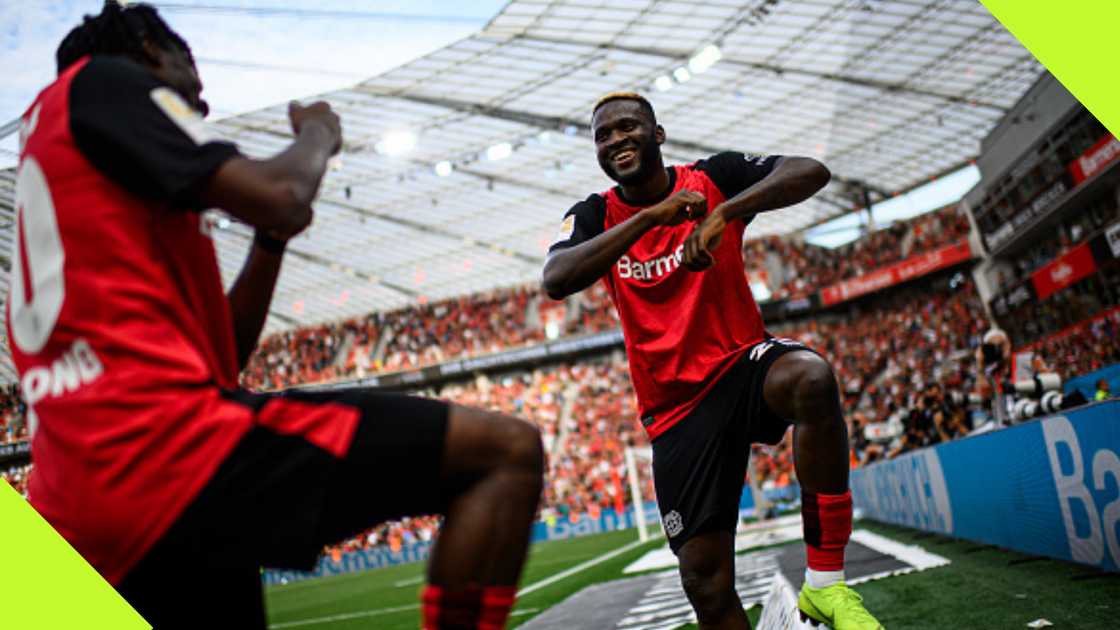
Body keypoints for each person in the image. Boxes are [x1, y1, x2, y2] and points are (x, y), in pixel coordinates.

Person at [10, 3, 542, 628]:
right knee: (505, 452)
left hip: (84, 498)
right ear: (152, 51)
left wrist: (269, 241)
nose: (199, 109)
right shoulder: (103, 81)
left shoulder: (81, 170)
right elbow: (283, 195)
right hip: (165, 455)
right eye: (192, 85)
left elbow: (224, 358)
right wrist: (317, 133)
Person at [543, 92, 882, 629]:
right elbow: (556, 279)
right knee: (705, 582)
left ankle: (824, 585)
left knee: (811, 379)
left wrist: (727, 211)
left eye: (628, 127)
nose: (615, 140)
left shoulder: (713, 178)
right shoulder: (593, 214)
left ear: (657, 135)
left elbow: (811, 171)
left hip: (740, 364)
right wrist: (653, 217)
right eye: (603, 136)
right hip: (675, 408)